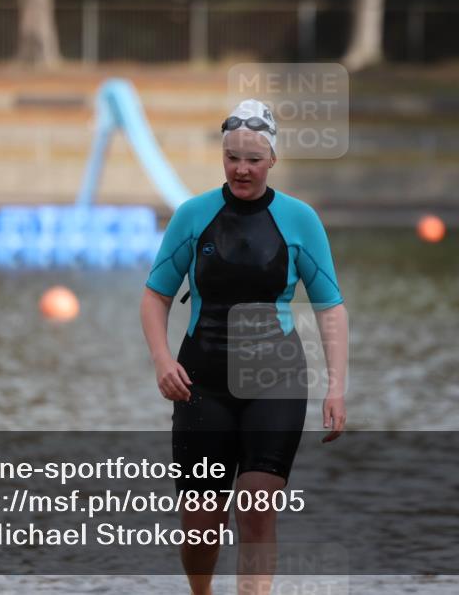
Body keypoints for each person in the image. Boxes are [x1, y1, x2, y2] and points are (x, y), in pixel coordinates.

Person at [139, 99, 349, 595]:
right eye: (233, 157)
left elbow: (331, 308)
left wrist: (336, 387)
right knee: (201, 520)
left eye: (253, 158)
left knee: (256, 509)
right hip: (201, 383)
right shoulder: (194, 215)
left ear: (272, 159)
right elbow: (155, 296)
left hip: (275, 379)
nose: (242, 168)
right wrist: (162, 360)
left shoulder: (300, 220)